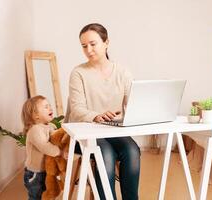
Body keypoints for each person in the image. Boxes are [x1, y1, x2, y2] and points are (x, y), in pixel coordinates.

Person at [66, 23, 141, 200]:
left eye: (93, 44)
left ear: (106, 42)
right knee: (104, 153)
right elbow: (77, 110)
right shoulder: (78, 73)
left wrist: (126, 115)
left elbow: (133, 106)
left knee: (132, 150)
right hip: (84, 131)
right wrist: (96, 116)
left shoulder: (123, 72)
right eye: (84, 46)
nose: (88, 50)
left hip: (112, 129)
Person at [21, 95, 61, 200]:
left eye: (50, 106)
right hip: (35, 173)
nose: (50, 108)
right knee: (36, 196)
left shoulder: (49, 126)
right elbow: (45, 147)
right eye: (46, 107)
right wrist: (59, 151)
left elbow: (55, 138)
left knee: (45, 195)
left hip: (45, 171)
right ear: (36, 115)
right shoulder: (35, 130)